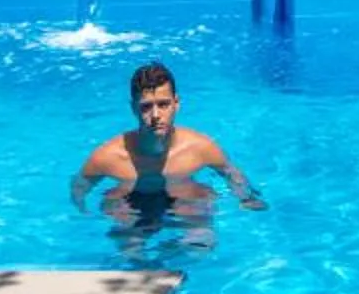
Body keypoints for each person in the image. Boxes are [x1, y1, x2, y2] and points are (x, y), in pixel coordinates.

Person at [69, 60, 266, 213]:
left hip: (184, 196)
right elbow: (79, 188)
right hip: (128, 202)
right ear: (133, 108)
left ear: (176, 104)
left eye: (163, 104)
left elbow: (231, 172)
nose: (155, 115)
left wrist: (246, 198)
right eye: (146, 106)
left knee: (201, 228)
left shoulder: (200, 148)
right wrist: (83, 214)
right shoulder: (108, 157)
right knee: (118, 215)